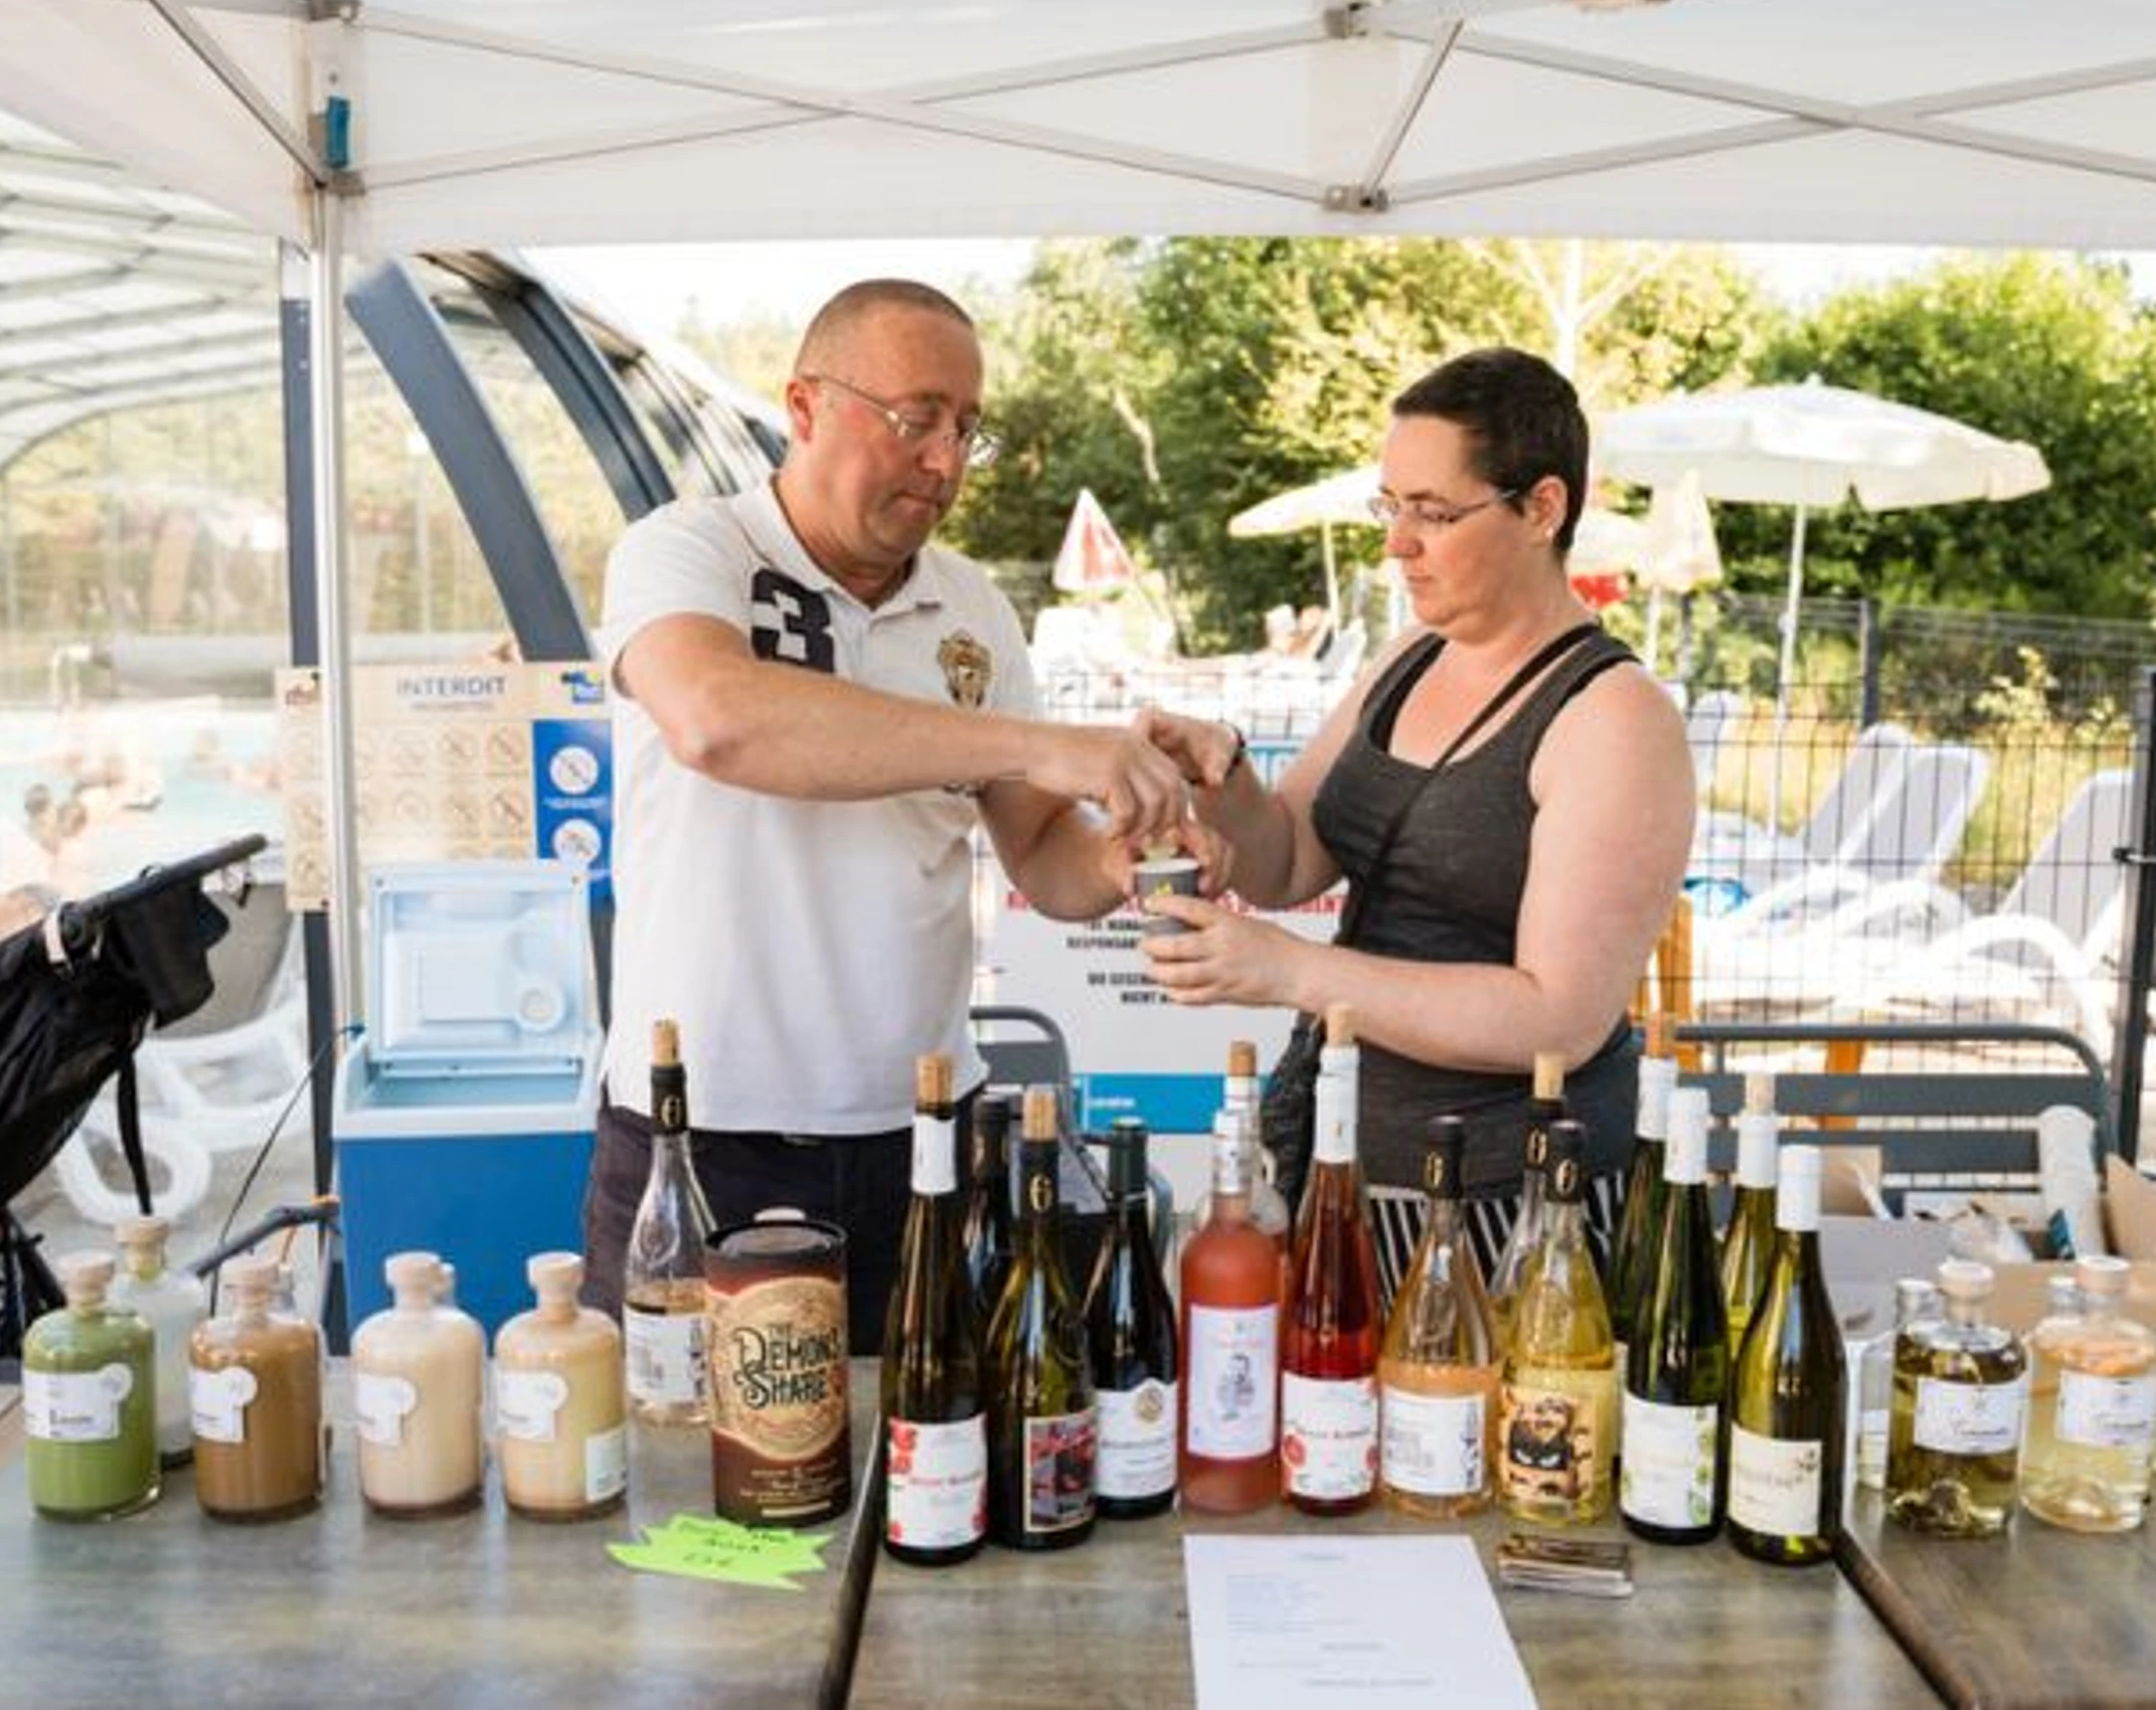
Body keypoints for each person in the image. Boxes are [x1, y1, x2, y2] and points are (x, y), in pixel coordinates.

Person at [581, 277, 1214, 1349]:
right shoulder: (690, 551)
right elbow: (716, 720)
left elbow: (1044, 858)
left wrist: (1130, 855)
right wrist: (1036, 744)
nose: (945, 462)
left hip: (924, 1126)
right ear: (805, 406)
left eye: (968, 429)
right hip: (704, 1130)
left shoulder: (972, 606)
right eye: (916, 419)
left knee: (928, 1433)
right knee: (682, 1446)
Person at [1137, 347, 1693, 1290]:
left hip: (1511, 1207)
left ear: (1542, 509)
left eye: (1433, 513)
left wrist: (1291, 971)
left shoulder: (1612, 716)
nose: (1398, 543)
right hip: (1350, 1166)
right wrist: (1218, 779)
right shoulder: (1410, 657)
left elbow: (1558, 1018)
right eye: (1389, 506)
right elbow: (1289, 859)